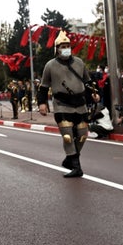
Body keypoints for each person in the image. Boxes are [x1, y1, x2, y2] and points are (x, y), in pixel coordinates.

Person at [37, 31, 100, 178]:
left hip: (80, 103)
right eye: (62, 46)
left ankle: (70, 158)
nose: (65, 48)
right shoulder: (50, 65)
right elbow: (43, 86)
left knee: (83, 135)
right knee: (67, 136)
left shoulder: (79, 62)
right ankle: (77, 167)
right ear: (57, 49)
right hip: (61, 104)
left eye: (67, 45)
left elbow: (88, 81)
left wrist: (95, 93)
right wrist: (42, 103)